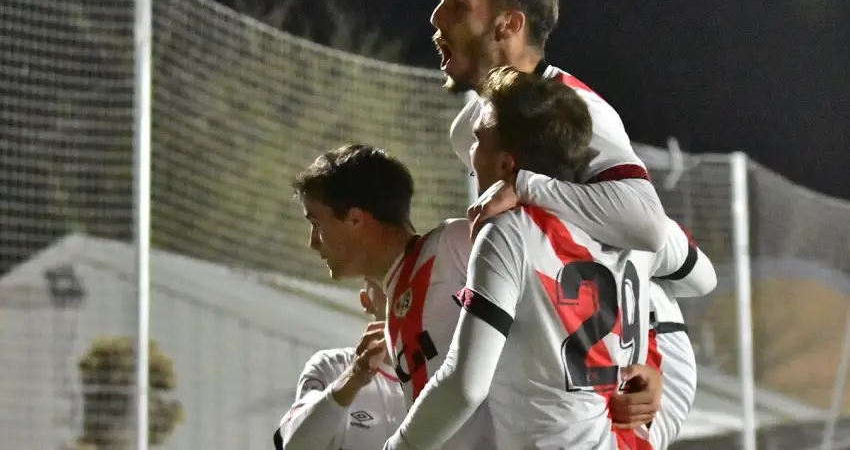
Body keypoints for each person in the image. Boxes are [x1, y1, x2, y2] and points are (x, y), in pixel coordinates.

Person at [431, 0, 715, 446]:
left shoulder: (583, 113)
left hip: (625, 377)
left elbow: (645, 229)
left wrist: (526, 184)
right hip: (579, 366)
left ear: (508, 25)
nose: (436, 17)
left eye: (458, 5)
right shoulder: (469, 129)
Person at [382, 67, 716, 450]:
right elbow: (703, 279)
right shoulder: (639, 229)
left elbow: (465, 385)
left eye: (478, 140)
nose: (470, 155)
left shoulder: (510, 231)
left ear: (507, 164)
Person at [291, 142, 664, 450]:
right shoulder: (395, 303)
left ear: (355, 218)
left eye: (315, 222)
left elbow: (578, 279)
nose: (312, 242)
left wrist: (645, 360)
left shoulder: (454, 243)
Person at [274, 280, 407, 450]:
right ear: (366, 301)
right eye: (383, 280)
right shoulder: (330, 365)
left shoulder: (438, 378)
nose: (397, 286)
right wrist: (354, 377)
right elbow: (295, 446)